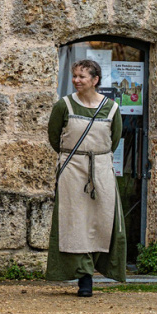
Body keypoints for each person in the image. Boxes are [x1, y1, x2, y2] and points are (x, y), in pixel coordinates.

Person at [46, 59, 125, 297]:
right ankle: (84, 276)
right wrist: (74, 158)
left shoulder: (111, 108)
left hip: (100, 168)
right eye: (75, 76)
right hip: (73, 169)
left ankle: (99, 267)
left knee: (101, 220)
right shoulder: (64, 105)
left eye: (82, 76)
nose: (76, 80)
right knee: (75, 222)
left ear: (95, 80)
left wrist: (96, 160)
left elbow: (114, 140)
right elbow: (54, 137)